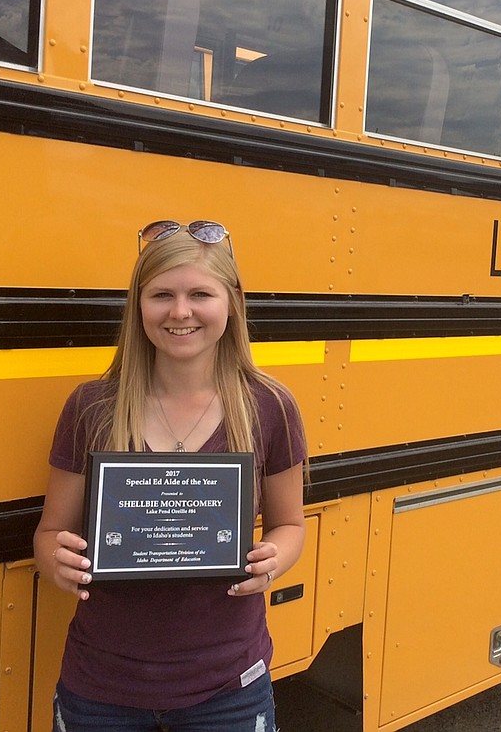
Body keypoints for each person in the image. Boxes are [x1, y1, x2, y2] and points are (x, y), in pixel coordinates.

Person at [34, 219, 307, 732]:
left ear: (231, 303)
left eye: (199, 293)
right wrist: (57, 563)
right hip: (102, 688)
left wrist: (275, 559)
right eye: (162, 294)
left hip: (227, 687)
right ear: (139, 307)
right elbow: (48, 534)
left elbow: (291, 525)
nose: (180, 312)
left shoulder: (269, 407)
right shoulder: (92, 407)